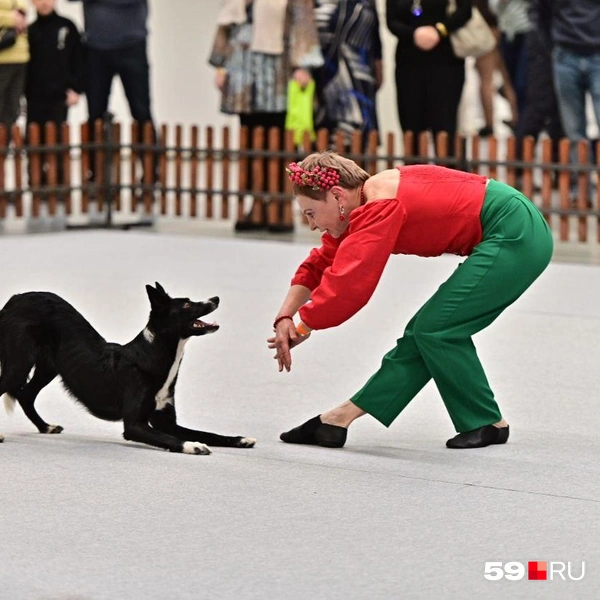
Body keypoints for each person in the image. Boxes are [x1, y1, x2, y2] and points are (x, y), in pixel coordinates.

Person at [268, 150, 553, 449]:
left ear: (338, 196)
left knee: (435, 328)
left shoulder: (380, 206)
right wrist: (285, 316)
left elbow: (349, 285)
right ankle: (338, 420)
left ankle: (484, 421)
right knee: (426, 332)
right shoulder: (370, 198)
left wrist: (303, 327)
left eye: (310, 213)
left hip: (515, 234)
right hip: (514, 227)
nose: (311, 225)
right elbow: (321, 263)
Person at [209, 0, 324, 233]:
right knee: (250, 139)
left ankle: (279, 207)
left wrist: (302, 65)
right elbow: (227, 24)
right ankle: (257, 205)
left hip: (277, 72)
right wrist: (221, 65)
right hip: (242, 69)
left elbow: (303, 23)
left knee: (279, 142)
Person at [68, 0, 156, 183]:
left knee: (141, 111)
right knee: (95, 114)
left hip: (132, 45)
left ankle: (151, 173)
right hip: (95, 48)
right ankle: (94, 174)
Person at [531, 0, 600, 201]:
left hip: (596, 53)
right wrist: (551, 47)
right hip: (565, 55)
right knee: (573, 131)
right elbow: (540, 12)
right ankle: (582, 189)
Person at [385, 0, 472, 157]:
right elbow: (391, 21)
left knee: (444, 125)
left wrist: (439, 31)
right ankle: (413, 176)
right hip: (409, 62)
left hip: (446, 62)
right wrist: (414, 34)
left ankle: (448, 177)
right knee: (411, 124)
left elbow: (465, 11)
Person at [26, 0, 84, 186]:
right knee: (34, 141)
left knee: (58, 141)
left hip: (59, 97)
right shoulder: (29, 31)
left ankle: (59, 183)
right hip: (35, 98)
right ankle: (36, 182)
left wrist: (76, 89)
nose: (44, 2)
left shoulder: (67, 26)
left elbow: (78, 60)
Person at [312, 0, 383, 147]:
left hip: (360, 77)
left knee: (358, 135)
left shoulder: (367, 2)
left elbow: (376, 39)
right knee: (325, 134)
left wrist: (379, 67)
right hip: (322, 77)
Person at [473, 0, 518, 137]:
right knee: (507, 78)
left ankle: (489, 123)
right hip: (501, 27)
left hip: (486, 27)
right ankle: (516, 118)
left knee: (486, 80)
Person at [0, 0, 28, 133]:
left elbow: (22, 11)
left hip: (20, 57)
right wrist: (10, 18)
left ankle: (5, 149)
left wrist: (19, 18)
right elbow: (15, 17)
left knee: (12, 109)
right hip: (2, 59)